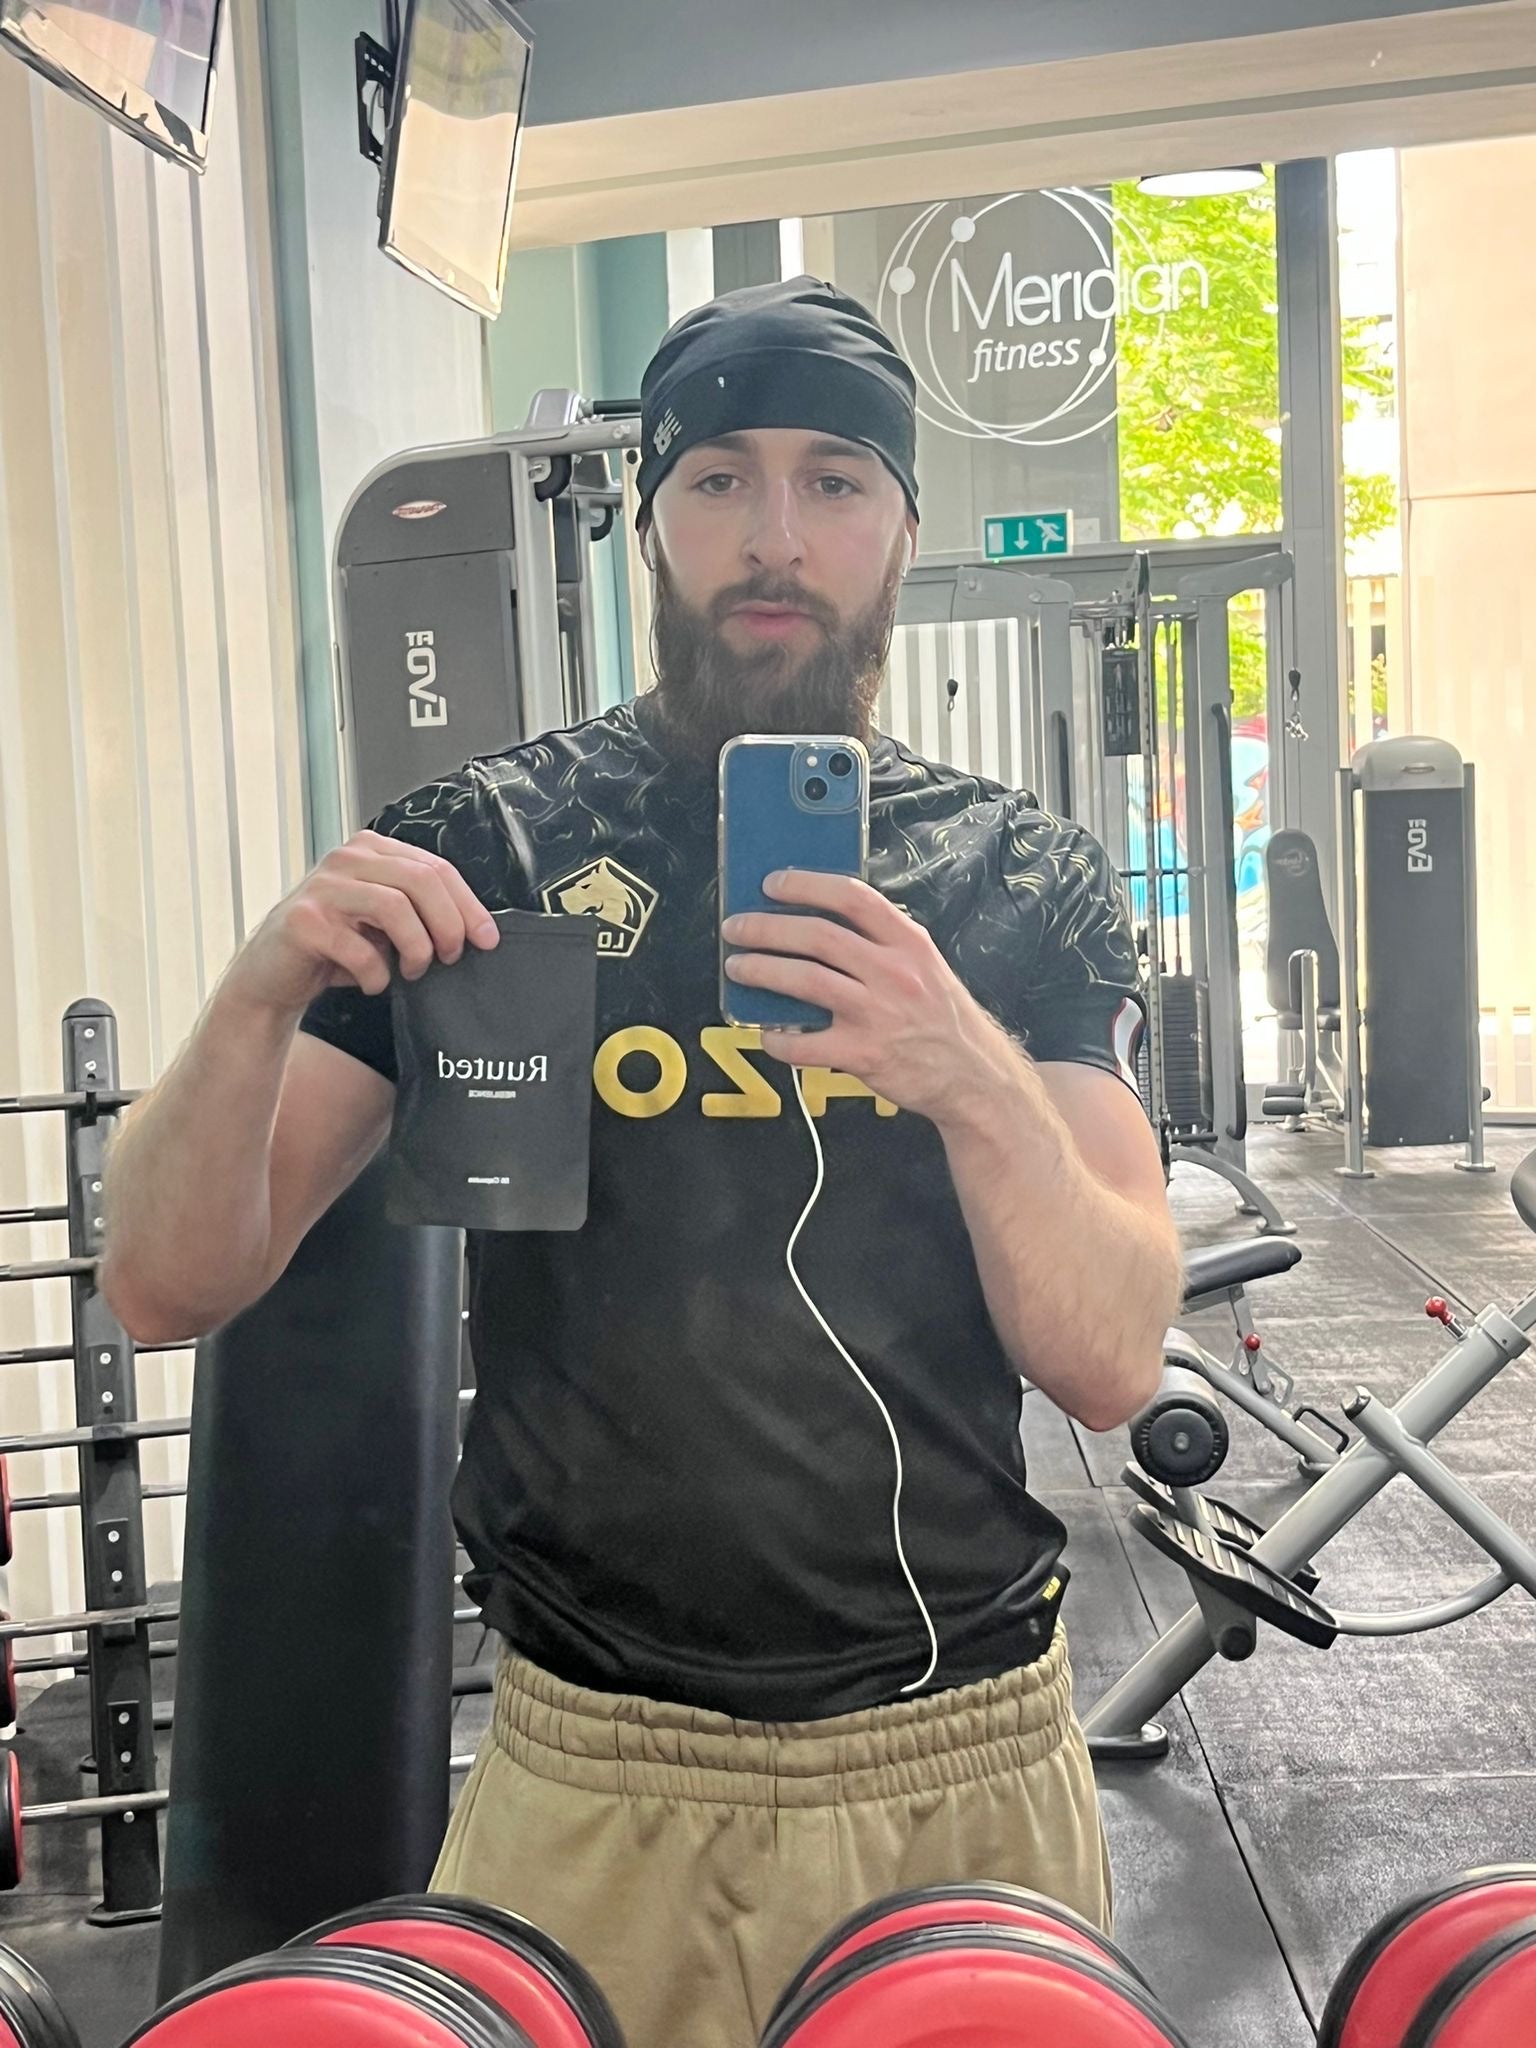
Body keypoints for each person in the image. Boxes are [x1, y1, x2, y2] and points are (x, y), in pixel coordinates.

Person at [101, 277, 1183, 2048]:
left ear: (905, 528)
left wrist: (968, 1073)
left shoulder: (1020, 877)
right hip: (592, 1769)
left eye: (836, 481)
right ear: (651, 519)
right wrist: (256, 987)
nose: (777, 538)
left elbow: (1113, 1358)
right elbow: (161, 1283)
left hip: (959, 1756)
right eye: (720, 479)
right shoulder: (489, 846)